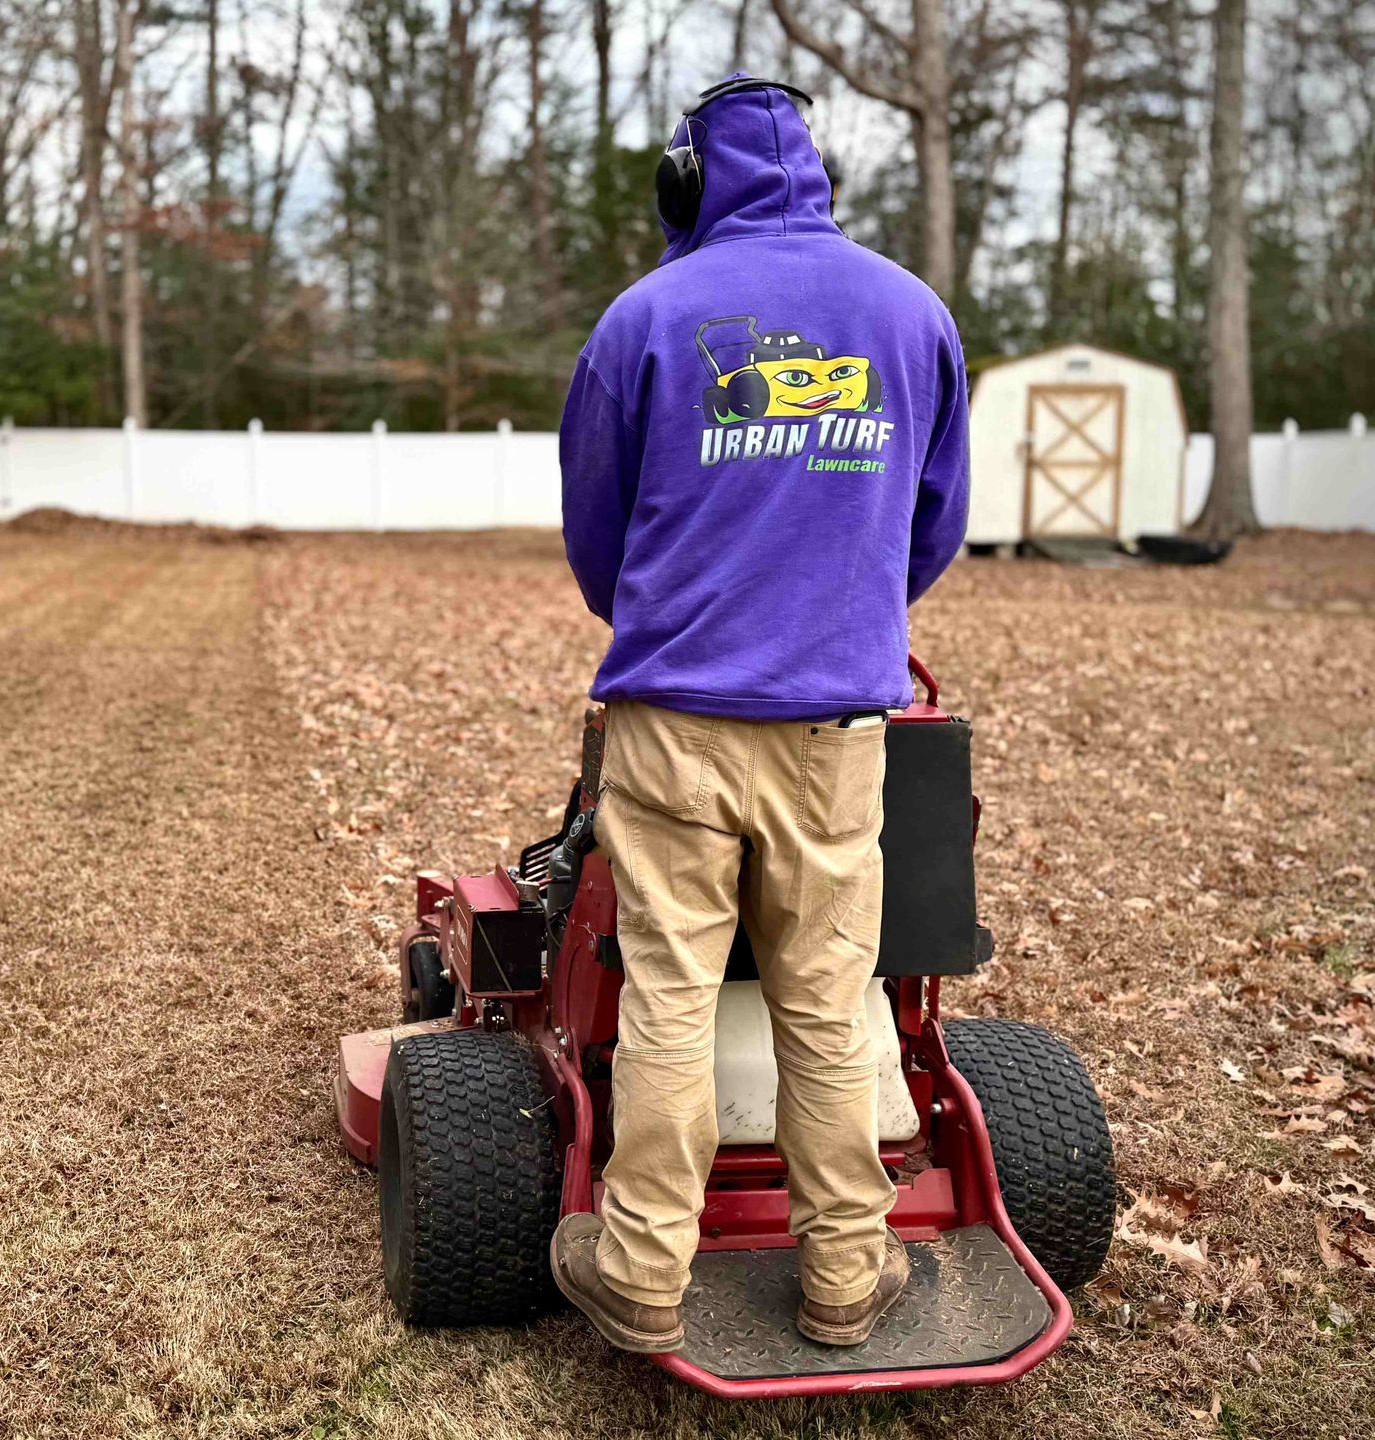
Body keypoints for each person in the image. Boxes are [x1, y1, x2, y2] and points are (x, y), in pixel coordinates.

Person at [548, 75, 970, 1352]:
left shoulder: (644, 319)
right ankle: (847, 1275)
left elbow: (596, 535)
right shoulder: (911, 315)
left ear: (686, 183)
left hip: (673, 719)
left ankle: (640, 1275)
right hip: (835, 727)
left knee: (672, 995)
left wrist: (682, 614)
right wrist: (838, 615)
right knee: (833, 997)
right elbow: (932, 522)